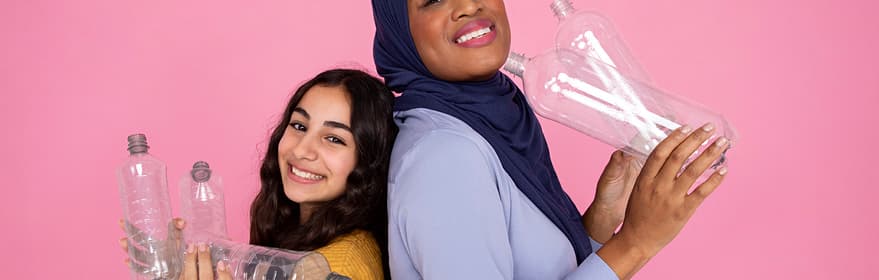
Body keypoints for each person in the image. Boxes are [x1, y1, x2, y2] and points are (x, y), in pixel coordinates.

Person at [371, 0, 730, 279]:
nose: (469, 5)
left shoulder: (493, 118)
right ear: (401, 32)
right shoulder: (443, 157)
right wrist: (637, 242)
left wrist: (604, 217)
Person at [119, 68, 397, 280]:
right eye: (299, 126)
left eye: (334, 139)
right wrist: (183, 265)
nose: (302, 150)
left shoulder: (335, 266)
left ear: (369, 161)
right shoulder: (301, 244)